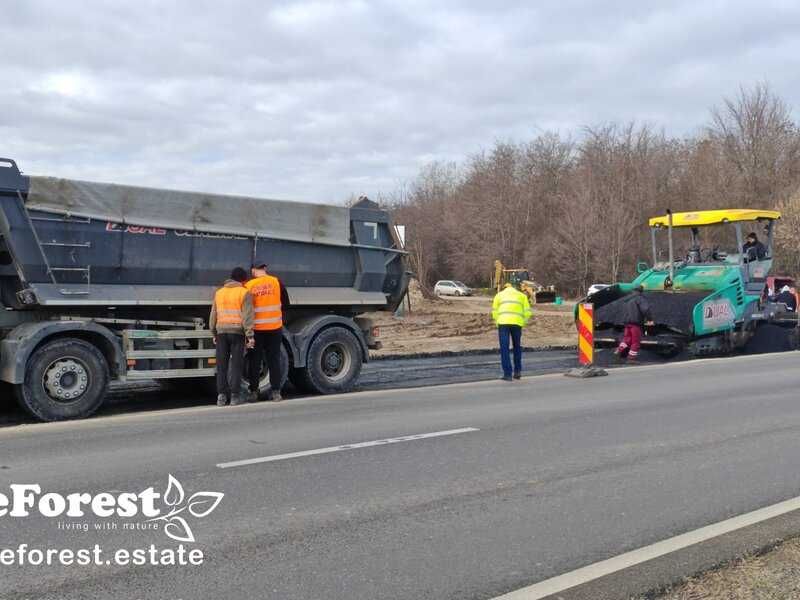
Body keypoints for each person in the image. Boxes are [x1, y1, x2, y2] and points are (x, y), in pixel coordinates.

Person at [245, 263, 291, 402]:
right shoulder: (276, 282)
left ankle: (253, 392)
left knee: (255, 361)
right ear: (265, 269)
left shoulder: (249, 285)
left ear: (253, 270)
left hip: (257, 330)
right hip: (274, 328)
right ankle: (276, 392)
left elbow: (245, 308)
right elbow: (286, 303)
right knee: (274, 360)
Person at [209, 267, 254, 406]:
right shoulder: (244, 292)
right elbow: (247, 316)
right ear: (242, 280)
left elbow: (213, 315)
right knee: (236, 365)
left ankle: (221, 397)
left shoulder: (219, 293)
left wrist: (214, 333)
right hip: (237, 333)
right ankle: (234, 397)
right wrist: (250, 336)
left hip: (221, 332)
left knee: (221, 366)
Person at [492, 282, 532, 381]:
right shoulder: (522, 296)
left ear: (504, 288)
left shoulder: (499, 295)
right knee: (517, 347)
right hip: (517, 324)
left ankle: (507, 374)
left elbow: (494, 311)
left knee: (504, 349)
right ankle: (517, 372)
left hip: (503, 323)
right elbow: (528, 312)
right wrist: (522, 322)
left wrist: (497, 322)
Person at [614, 286, 652, 363]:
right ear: (641, 291)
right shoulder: (640, 299)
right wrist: (649, 319)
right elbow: (646, 309)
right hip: (635, 323)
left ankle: (618, 350)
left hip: (627, 323)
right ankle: (631, 358)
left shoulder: (627, 299)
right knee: (636, 342)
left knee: (627, 340)